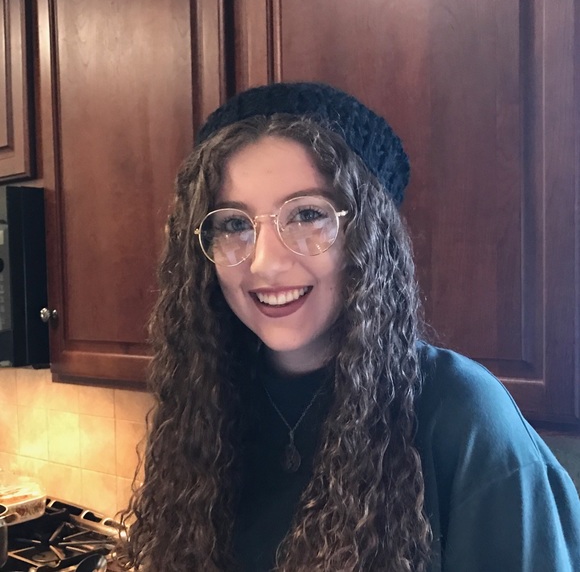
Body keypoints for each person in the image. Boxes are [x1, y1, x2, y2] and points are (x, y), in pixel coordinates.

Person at [120, 82, 580, 571]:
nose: (264, 263)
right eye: (233, 224)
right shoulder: (206, 404)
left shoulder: (463, 418)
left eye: (307, 215)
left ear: (368, 236)